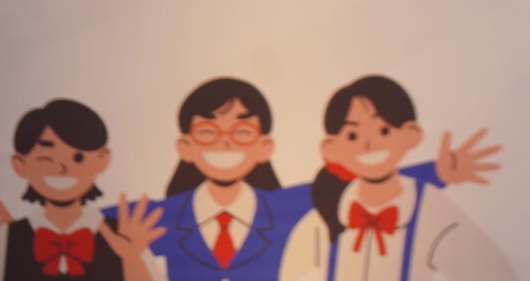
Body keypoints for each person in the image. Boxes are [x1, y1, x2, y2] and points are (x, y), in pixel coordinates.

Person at [137, 80, 493, 281]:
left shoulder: (286, 208)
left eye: (242, 132)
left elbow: (360, 176)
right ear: (185, 146)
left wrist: (436, 172)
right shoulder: (162, 217)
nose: (225, 143)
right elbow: (108, 220)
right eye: (208, 132)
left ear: (264, 146)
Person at [275, 77, 507, 281]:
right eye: (353, 135)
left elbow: (491, 271)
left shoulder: (430, 209)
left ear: (411, 135)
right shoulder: (322, 219)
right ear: (331, 148)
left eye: (384, 131)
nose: (369, 144)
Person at [0, 100, 164, 280]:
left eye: (78, 158)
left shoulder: (123, 236)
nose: (62, 169)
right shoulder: (6, 237)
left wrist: (132, 258)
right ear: (20, 164)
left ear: (103, 159)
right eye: (46, 159)